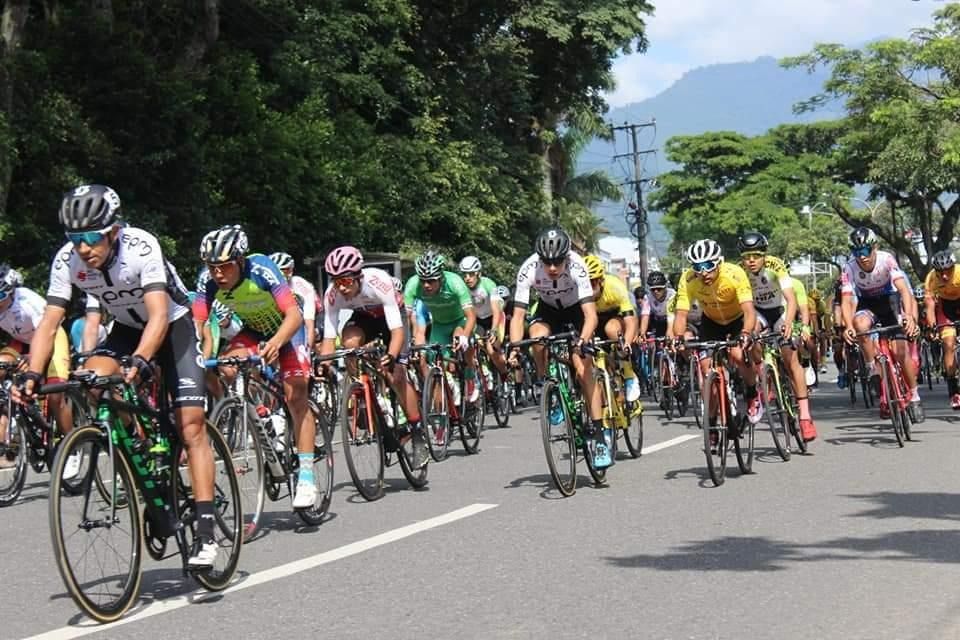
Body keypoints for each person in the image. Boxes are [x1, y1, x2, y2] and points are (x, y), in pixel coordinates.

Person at [18, 184, 218, 567]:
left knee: (190, 425)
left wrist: (142, 361)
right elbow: (49, 322)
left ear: (114, 230)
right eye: (74, 239)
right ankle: (138, 446)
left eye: (91, 237)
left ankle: (206, 533)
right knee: (91, 379)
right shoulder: (67, 261)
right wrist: (32, 372)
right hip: (126, 329)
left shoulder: (141, 246)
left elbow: (159, 315)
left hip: (172, 327)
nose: (82, 248)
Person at [194, 224, 319, 510]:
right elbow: (198, 323)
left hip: (287, 330)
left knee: (295, 396)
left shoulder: (262, 269)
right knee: (226, 366)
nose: (217, 273)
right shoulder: (208, 281)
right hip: (253, 330)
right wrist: (195, 349)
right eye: (212, 267)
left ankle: (307, 478)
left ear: (239, 260)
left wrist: (277, 341)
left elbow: (293, 315)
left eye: (224, 266)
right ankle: (258, 417)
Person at [507, 227, 609, 467]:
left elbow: (591, 315)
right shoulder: (528, 269)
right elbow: (518, 316)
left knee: (583, 369)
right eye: (547, 262)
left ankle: (599, 433)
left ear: (566, 257)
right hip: (548, 311)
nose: (552, 268)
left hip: (577, 312)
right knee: (536, 336)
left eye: (557, 262)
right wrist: (514, 348)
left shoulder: (577, 266)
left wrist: (583, 340)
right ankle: (547, 385)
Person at [318, 246, 425, 464]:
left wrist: (392, 356)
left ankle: (416, 433)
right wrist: (323, 364)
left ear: (358, 276)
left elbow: (396, 332)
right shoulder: (332, 295)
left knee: (396, 375)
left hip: (390, 319)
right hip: (364, 317)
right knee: (349, 344)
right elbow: (329, 340)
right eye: (337, 282)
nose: (342, 288)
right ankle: (361, 392)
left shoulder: (378, 282)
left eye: (346, 281)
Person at [672, 239, 761, 431]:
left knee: (738, 355)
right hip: (711, 322)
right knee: (707, 373)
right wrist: (678, 337)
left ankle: (752, 393)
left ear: (719, 262)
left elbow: (749, 311)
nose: (703, 272)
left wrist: (746, 332)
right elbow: (681, 313)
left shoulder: (735, 274)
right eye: (698, 267)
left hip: (737, 320)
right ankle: (711, 424)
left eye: (709, 266)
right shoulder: (688, 279)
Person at [738, 231, 816, 441]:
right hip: (759, 313)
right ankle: (761, 371)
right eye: (746, 256)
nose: (751, 260)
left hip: (780, 311)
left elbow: (791, 300)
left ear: (764, 255)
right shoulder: (741, 272)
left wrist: (789, 324)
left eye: (755, 255)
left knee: (791, 359)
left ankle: (805, 416)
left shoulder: (775, 266)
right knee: (751, 336)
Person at [840, 227, 922, 421]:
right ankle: (871, 368)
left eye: (866, 251)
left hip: (890, 301)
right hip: (868, 304)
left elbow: (904, 291)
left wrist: (909, 316)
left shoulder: (887, 259)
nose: (862, 257)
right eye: (857, 252)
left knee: (901, 352)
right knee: (860, 325)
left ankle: (915, 396)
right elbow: (846, 300)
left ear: (874, 247)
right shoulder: (850, 267)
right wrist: (848, 326)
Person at [0, 265, 75, 473]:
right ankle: (21, 420)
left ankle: (72, 444)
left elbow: (45, 333)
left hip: (50, 337)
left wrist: (32, 358)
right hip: (21, 341)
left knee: (55, 396)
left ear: (11, 291)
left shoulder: (26, 302)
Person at [404, 250, 479, 401]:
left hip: (460, 321)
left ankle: (471, 378)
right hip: (439, 326)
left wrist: (465, 336)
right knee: (437, 365)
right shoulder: (413, 285)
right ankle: (441, 412)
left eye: (431, 280)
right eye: (423, 280)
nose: (426, 285)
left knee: (460, 338)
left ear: (441, 277)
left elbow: (471, 316)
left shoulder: (455, 283)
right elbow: (405, 318)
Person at [583, 254, 641, 401]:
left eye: (593, 283)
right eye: (585, 283)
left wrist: (626, 343)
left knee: (611, 329)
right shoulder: (578, 292)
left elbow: (630, 320)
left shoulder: (614, 287)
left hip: (614, 317)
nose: (589, 287)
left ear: (601, 281)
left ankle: (629, 374)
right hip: (592, 319)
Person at [924, 249, 960, 408]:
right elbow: (930, 305)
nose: (944, 276)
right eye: (940, 272)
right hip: (946, 309)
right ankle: (954, 392)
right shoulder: (931, 278)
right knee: (948, 344)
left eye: (948, 271)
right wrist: (932, 327)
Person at [270, 252, 320, 351]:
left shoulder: (300, 284)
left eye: (285, 270)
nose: (281, 275)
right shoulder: (267, 285)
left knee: (309, 344)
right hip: (285, 321)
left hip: (313, 316)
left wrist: (307, 351)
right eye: (277, 271)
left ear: (291, 270)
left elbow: (309, 322)